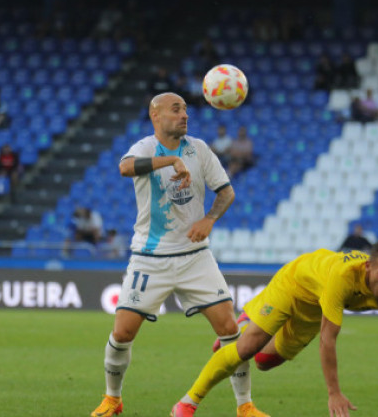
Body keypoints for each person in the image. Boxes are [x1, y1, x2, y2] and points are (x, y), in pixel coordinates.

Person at [90, 92, 266, 417]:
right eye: (176, 109)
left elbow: (226, 192)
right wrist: (170, 161)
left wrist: (209, 219)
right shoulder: (144, 148)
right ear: (155, 115)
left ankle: (245, 406)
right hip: (149, 257)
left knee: (230, 328)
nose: (184, 115)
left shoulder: (199, 149)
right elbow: (124, 168)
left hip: (195, 256)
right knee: (122, 332)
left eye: (185, 109)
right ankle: (112, 398)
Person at [171, 241, 378, 417]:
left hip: (315, 307)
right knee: (248, 347)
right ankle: (187, 403)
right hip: (295, 284)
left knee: (264, 361)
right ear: (368, 267)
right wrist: (334, 393)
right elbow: (328, 339)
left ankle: (246, 327)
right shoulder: (343, 278)